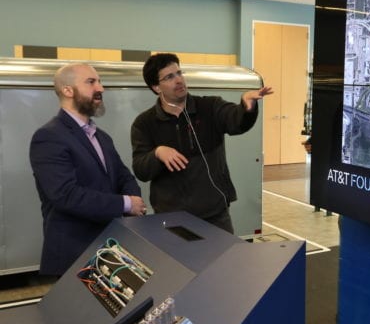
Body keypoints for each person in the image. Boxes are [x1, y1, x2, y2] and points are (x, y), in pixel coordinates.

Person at [131, 53, 272, 233]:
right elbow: (141, 170)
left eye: (179, 73)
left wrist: (246, 107)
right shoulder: (144, 123)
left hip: (215, 216)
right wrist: (157, 153)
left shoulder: (210, 107)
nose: (179, 80)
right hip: (172, 219)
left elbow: (236, 121)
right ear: (156, 87)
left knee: (226, 253)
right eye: (169, 77)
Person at [29, 63, 146, 276]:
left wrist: (135, 201)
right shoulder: (48, 137)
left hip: (111, 250)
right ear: (68, 90)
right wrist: (126, 203)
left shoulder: (101, 137)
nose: (100, 88)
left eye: (100, 81)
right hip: (74, 256)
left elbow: (123, 176)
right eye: (91, 82)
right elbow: (66, 195)